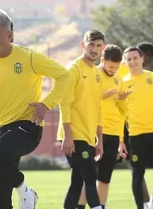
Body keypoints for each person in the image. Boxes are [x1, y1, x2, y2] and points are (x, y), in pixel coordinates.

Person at [0, 8, 70, 209]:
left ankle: (25, 191)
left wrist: (46, 104)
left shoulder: (29, 57)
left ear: (10, 35)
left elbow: (65, 76)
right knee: (1, 192)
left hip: (27, 127)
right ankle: (25, 196)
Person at [120, 46, 153, 209]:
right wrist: (121, 140)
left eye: (135, 58)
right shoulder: (122, 83)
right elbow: (120, 115)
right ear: (125, 62)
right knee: (137, 176)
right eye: (128, 59)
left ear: (142, 59)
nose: (132, 62)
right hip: (136, 135)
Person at [57, 29, 105, 209]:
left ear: (103, 48)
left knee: (77, 182)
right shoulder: (73, 69)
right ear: (83, 45)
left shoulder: (97, 74)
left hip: (88, 136)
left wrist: (99, 139)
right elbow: (64, 103)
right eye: (91, 44)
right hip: (74, 135)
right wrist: (67, 136)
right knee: (91, 177)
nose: (94, 49)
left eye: (98, 46)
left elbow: (99, 107)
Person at [117, 42, 153, 208]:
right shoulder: (123, 72)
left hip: (127, 127)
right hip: (123, 127)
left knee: (137, 171)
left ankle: (146, 204)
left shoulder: (145, 76)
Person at [94, 44, 132, 208]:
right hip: (93, 132)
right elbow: (85, 101)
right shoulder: (93, 74)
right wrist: (103, 96)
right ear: (102, 60)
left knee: (105, 177)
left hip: (113, 133)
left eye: (116, 68)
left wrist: (122, 99)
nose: (113, 70)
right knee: (87, 176)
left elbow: (123, 111)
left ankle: (102, 206)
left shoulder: (118, 79)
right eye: (110, 67)